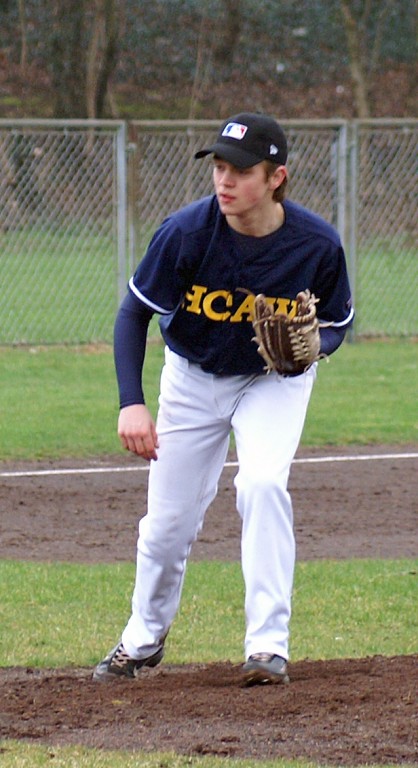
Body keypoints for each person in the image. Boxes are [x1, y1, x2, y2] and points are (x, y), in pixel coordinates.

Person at [93, 112, 354, 686]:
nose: (224, 179)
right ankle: (142, 638)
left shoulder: (316, 244)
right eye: (218, 166)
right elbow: (133, 314)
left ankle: (268, 646)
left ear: (276, 178)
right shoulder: (186, 233)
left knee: (262, 485)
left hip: (272, 381)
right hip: (191, 378)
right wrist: (131, 402)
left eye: (240, 169)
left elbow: (338, 323)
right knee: (167, 525)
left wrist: (314, 348)